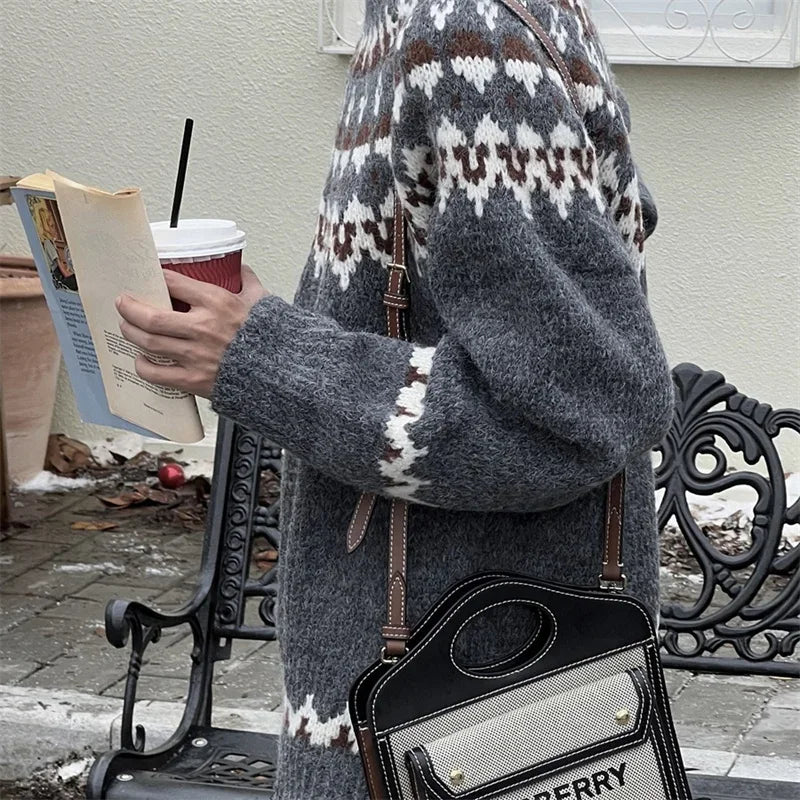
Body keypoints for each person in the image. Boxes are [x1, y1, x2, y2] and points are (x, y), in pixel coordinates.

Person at [116, 0, 674, 796]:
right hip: (438, 695)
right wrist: (266, 330)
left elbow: (579, 415)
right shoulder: (421, 23)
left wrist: (266, 358)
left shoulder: (466, 36)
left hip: (448, 715)